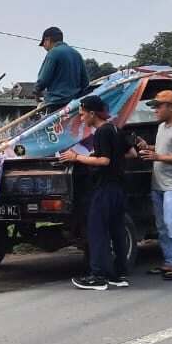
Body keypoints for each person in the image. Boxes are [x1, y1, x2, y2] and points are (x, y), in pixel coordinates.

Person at [59, 94, 136, 290]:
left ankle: (98, 276)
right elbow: (132, 153)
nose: (82, 118)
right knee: (117, 231)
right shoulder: (115, 129)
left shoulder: (102, 132)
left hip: (106, 188)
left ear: (93, 113)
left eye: (83, 114)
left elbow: (104, 161)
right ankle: (119, 275)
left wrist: (76, 157)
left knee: (97, 231)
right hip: (120, 188)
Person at [137, 89, 172, 281]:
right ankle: (170, 262)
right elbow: (164, 148)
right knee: (162, 226)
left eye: (158, 106)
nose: (155, 110)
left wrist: (158, 156)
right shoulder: (162, 127)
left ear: (171, 107)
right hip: (159, 184)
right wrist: (149, 147)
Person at [35, 27, 90, 113]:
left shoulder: (53, 53)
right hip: (74, 106)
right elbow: (86, 82)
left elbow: (43, 80)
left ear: (48, 39)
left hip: (56, 105)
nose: (44, 47)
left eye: (44, 43)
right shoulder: (76, 54)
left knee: (55, 127)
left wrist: (37, 92)